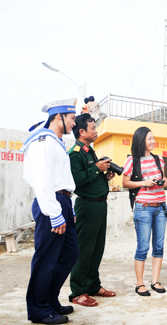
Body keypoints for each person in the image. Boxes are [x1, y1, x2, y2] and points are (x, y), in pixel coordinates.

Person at [20, 98, 78, 324]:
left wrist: (66, 208)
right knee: (46, 259)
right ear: (58, 117)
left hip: (62, 201)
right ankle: (38, 309)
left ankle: (50, 300)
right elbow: (42, 180)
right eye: (72, 118)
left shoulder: (56, 141)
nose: (74, 123)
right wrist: (54, 212)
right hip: (50, 202)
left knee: (69, 254)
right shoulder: (43, 141)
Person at [68, 113, 116, 307]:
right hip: (86, 206)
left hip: (99, 205)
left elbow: (91, 177)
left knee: (97, 249)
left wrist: (104, 177)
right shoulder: (75, 153)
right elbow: (76, 180)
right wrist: (97, 168)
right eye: (93, 128)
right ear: (82, 131)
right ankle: (78, 292)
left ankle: (93, 285)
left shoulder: (89, 151)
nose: (96, 131)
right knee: (84, 250)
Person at [122, 127, 167, 296]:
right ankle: (140, 284)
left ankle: (155, 281)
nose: (152, 141)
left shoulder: (159, 159)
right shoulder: (132, 161)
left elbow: (165, 179)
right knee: (143, 247)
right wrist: (144, 183)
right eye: (149, 139)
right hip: (143, 208)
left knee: (159, 246)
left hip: (161, 207)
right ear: (141, 140)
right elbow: (125, 182)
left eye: (153, 138)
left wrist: (163, 181)